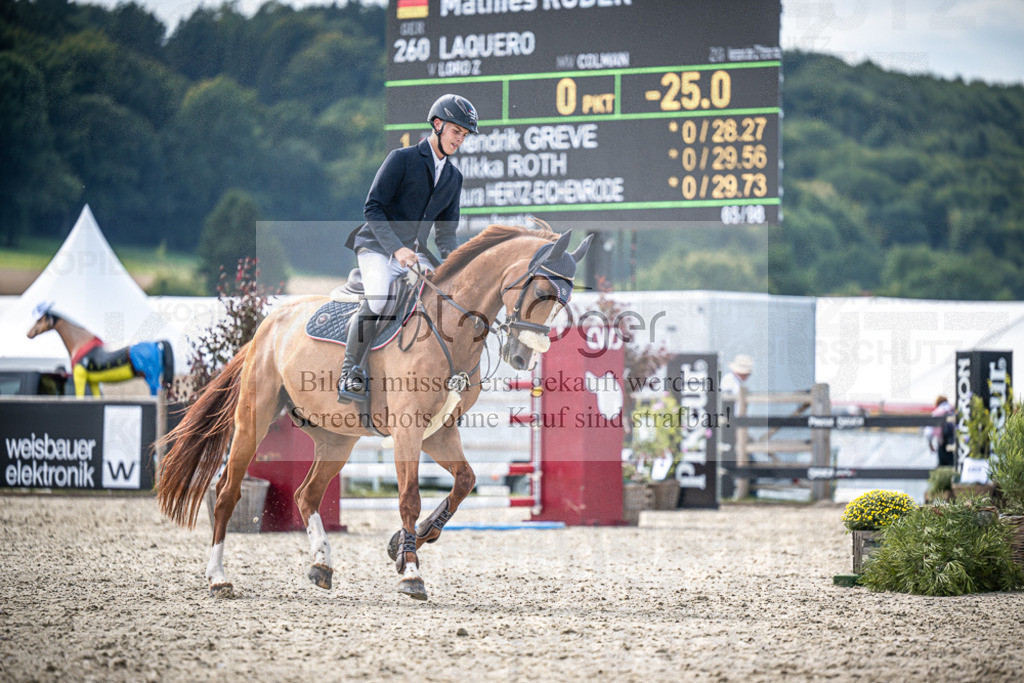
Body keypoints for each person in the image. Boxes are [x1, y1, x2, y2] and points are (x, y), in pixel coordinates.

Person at [337, 93, 479, 404]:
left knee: (441, 300)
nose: (460, 139)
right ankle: (350, 372)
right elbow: (373, 208)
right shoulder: (402, 159)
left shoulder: (454, 177)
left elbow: (445, 235)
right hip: (377, 246)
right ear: (438, 124)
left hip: (415, 254)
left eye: (464, 135)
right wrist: (397, 249)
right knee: (378, 300)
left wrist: (456, 267)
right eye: (457, 131)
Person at [926, 395, 956, 468]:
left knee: (942, 467)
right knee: (954, 466)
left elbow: (928, 432)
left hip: (942, 443)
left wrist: (930, 444)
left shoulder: (937, 412)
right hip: (954, 443)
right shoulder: (953, 409)